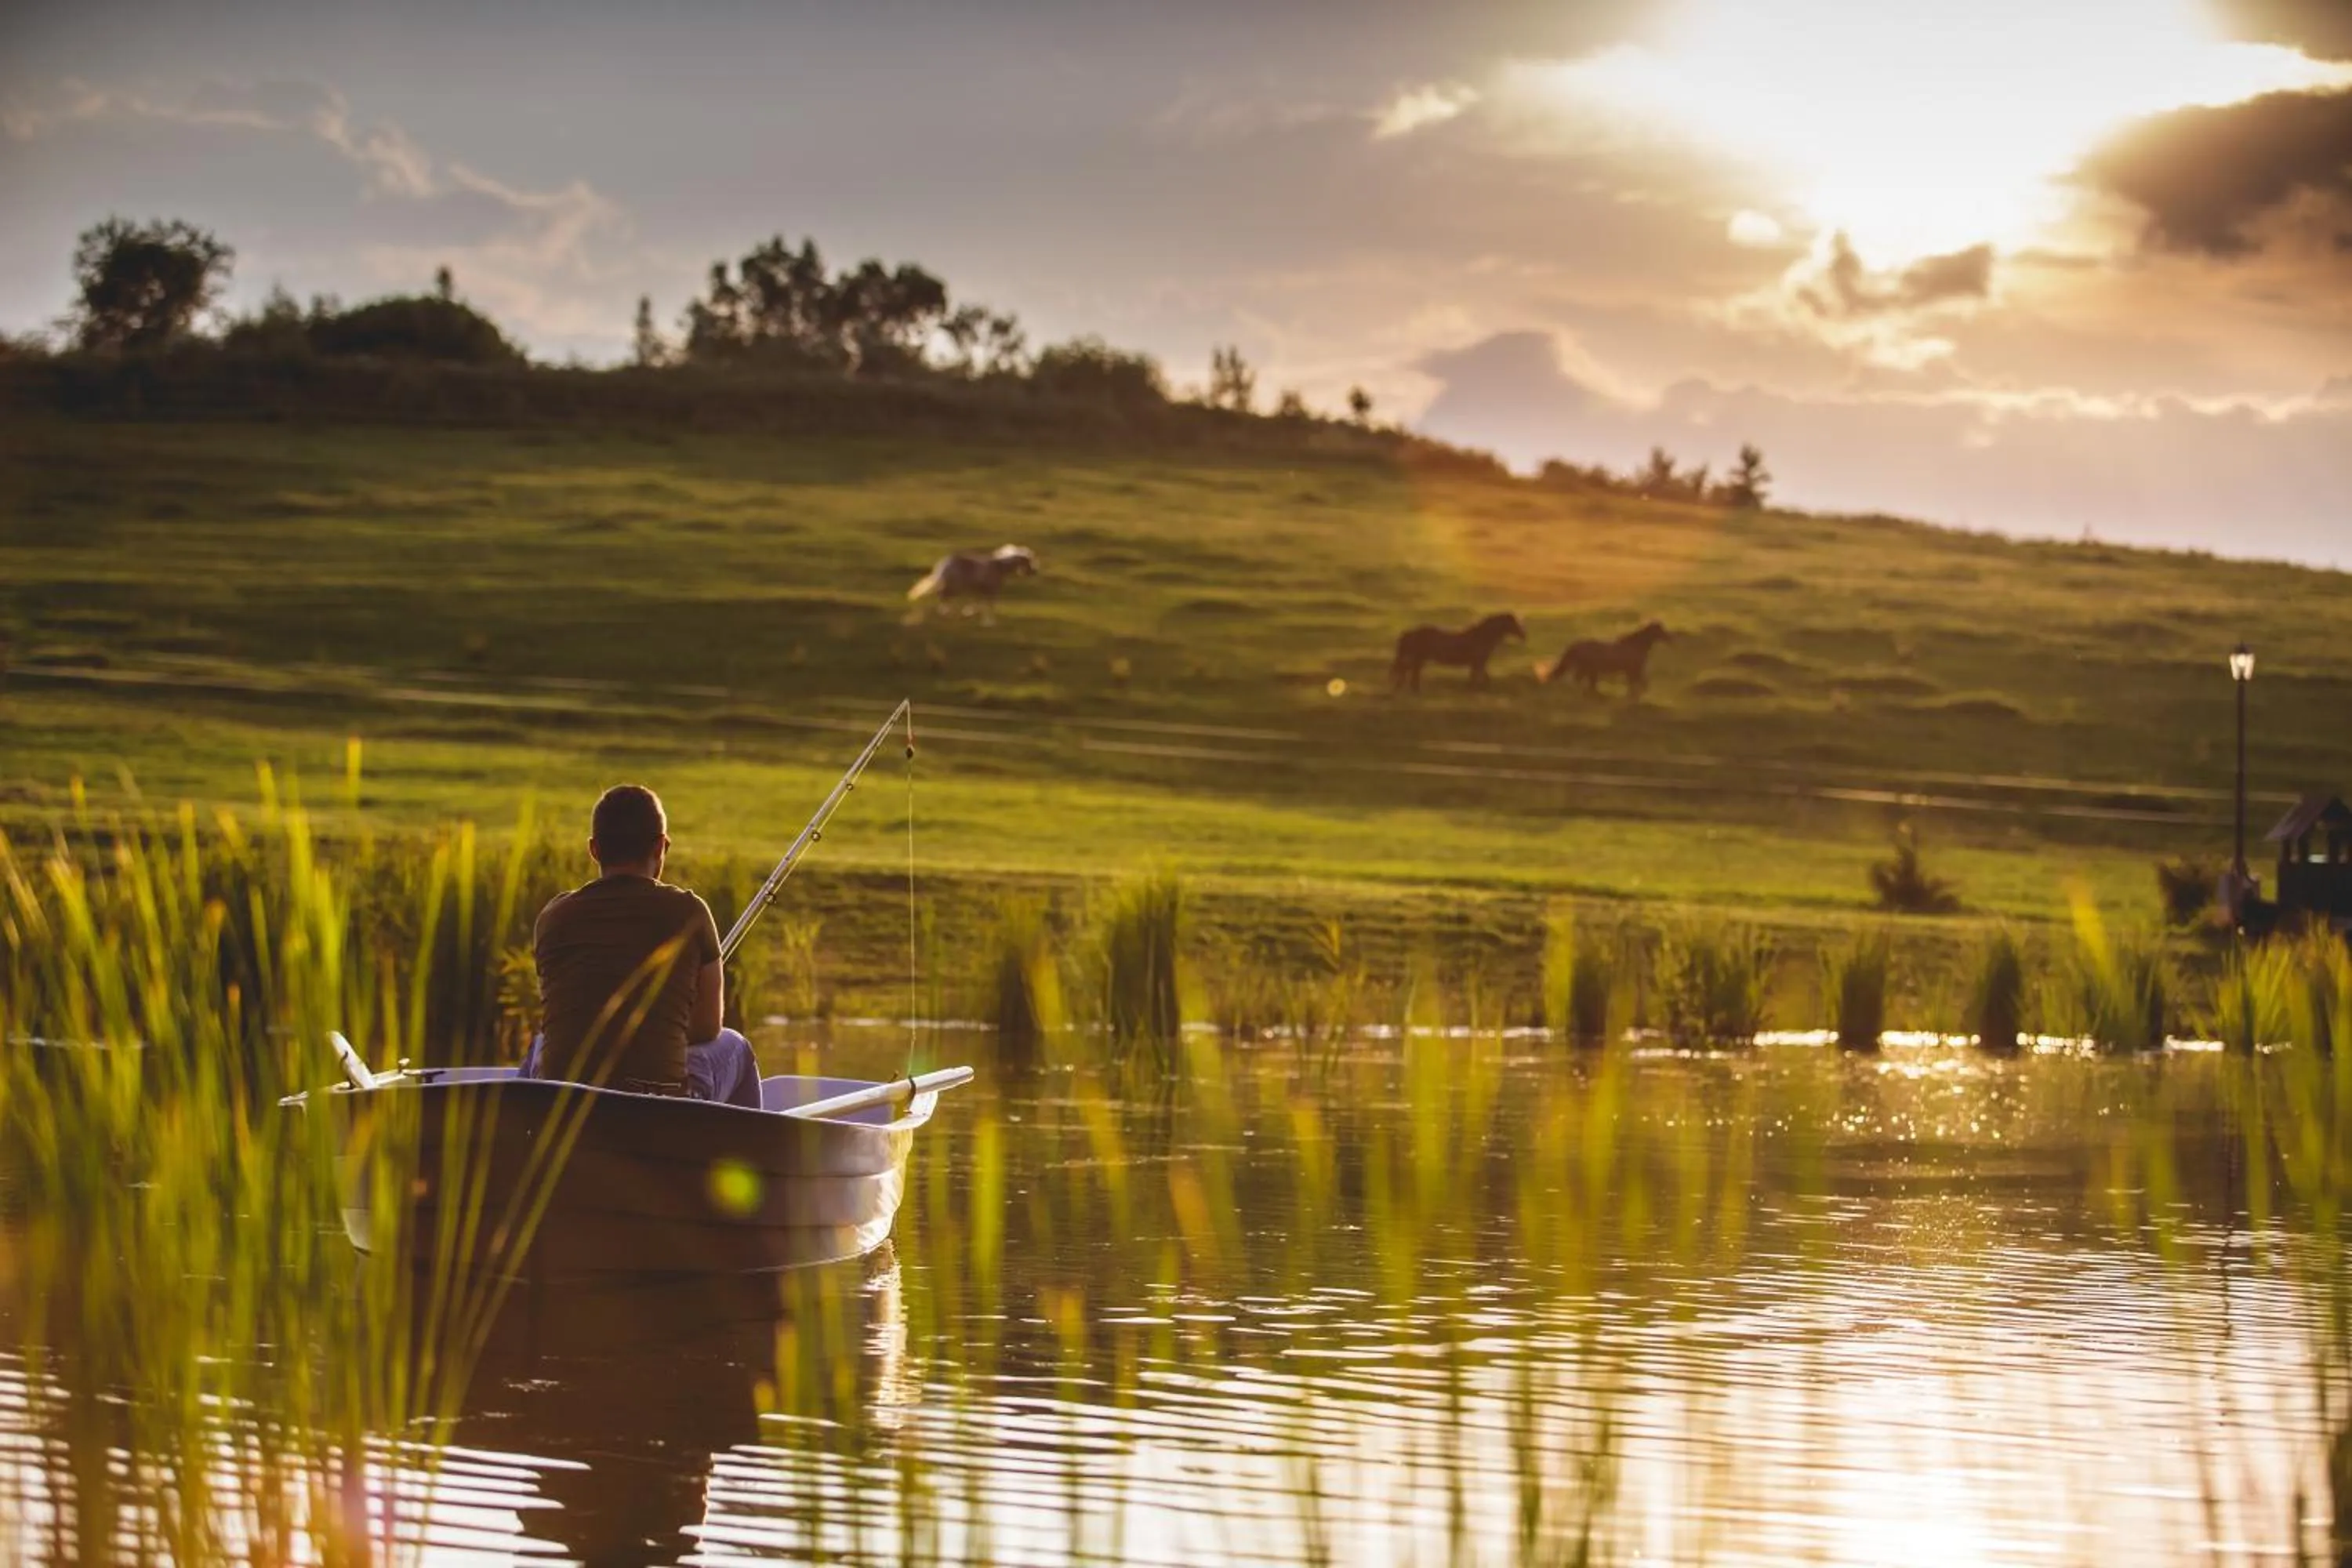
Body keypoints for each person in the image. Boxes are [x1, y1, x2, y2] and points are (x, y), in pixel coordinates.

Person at [522, 784, 763, 1109]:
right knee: (736, 1047)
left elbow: (561, 1013)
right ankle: (751, 1142)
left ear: (594, 849)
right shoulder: (690, 911)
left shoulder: (552, 917)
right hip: (661, 1105)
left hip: (564, 1104)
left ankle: (522, 1129)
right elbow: (708, 1028)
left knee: (540, 1044)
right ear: (661, 846)